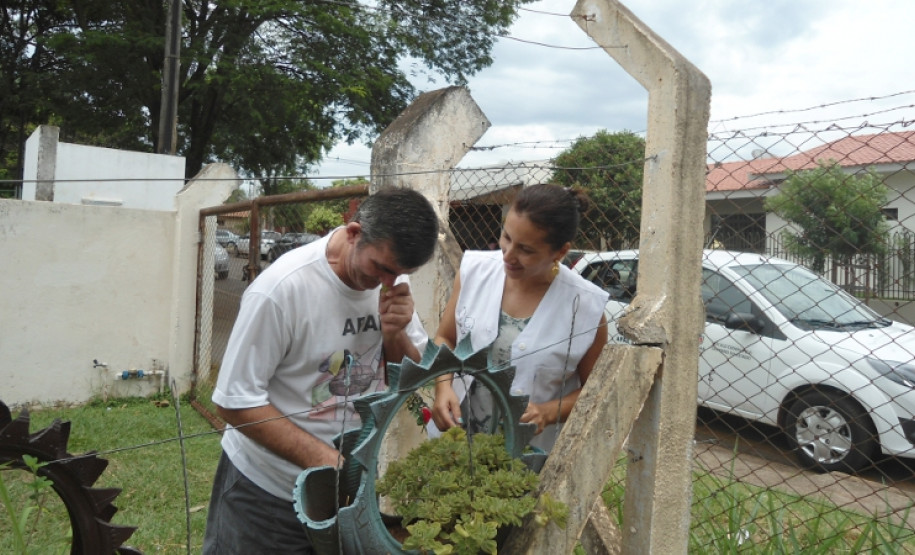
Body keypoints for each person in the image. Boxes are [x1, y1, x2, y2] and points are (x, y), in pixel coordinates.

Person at [203, 187, 438, 553]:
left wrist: (396, 335)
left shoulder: (392, 280)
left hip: (344, 494)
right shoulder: (282, 290)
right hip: (268, 493)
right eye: (381, 269)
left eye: (402, 273)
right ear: (355, 232)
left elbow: (408, 379)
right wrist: (327, 461)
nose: (388, 283)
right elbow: (234, 402)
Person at [430, 184, 609, 452]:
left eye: (526, 249)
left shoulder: (585, 309)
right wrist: (443, 387)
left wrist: (548, 412)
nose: (508, 255)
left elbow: (597, 390)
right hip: (455, 443)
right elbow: (446, 337)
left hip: (526, 456)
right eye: (506, 237)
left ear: (559, 252)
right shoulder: (474, 271)